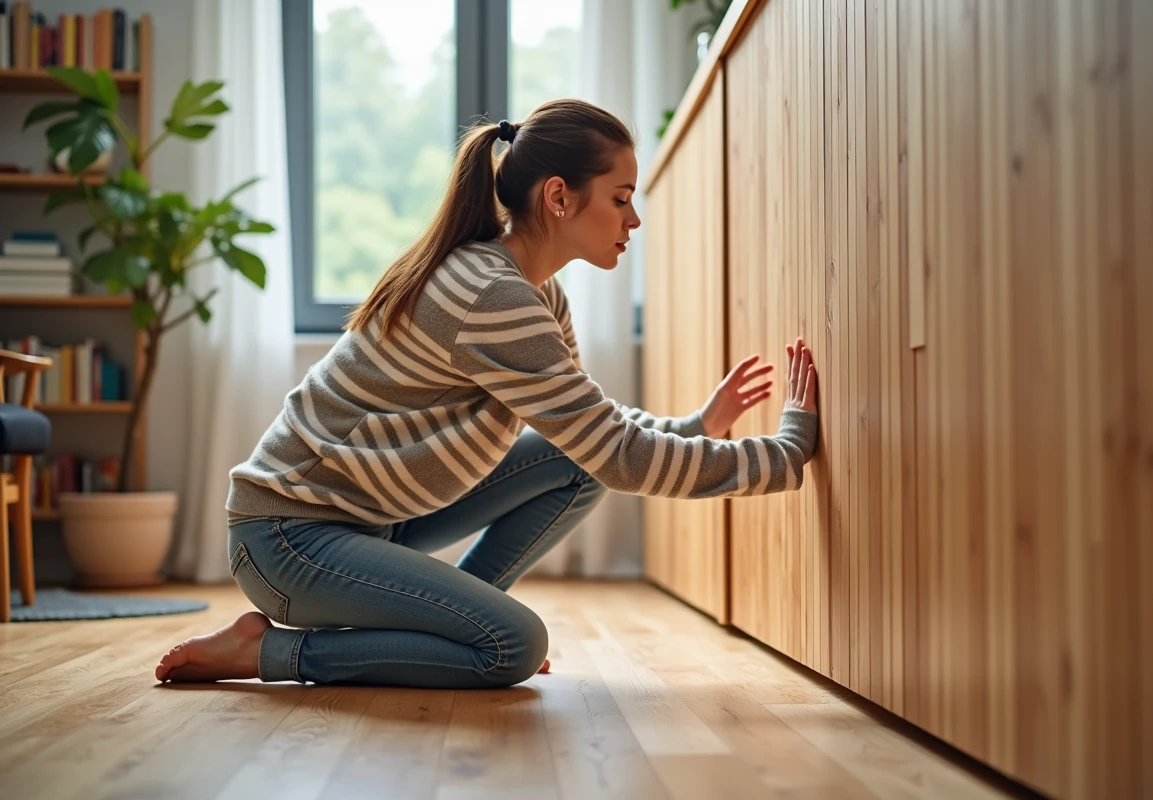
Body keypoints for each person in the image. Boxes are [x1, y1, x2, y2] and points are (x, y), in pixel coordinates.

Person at [154, 99, 819, 689]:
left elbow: (591, 436)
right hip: (289, 540)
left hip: (366, 518)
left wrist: (698, 424)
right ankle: (269, 652)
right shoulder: (492, 295)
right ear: (559, 197)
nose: (634, 218)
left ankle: (453, 630)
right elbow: (620, 453)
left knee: (575, 469)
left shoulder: (533, 289)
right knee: (514, 646)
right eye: (620, 197)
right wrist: (786, 454)